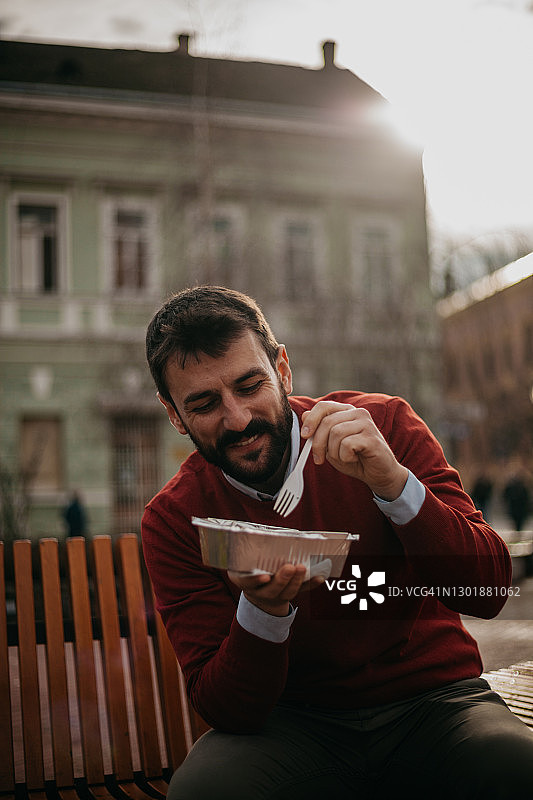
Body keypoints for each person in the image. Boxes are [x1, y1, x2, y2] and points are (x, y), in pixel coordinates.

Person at [142, 286, 533, 800]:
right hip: (291, 727)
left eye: (249, 384)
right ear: (174, 414)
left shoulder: (384, 426)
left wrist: (394, 484)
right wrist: (263, 610)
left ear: (282, 369)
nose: (237, 419)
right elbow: (228, 708)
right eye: (205, 403)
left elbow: (489, 589)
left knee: (515, 768)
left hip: (437, 702)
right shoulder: (175, 518)